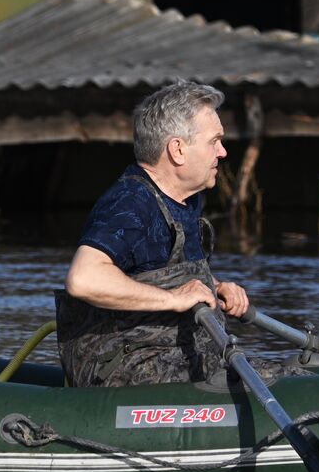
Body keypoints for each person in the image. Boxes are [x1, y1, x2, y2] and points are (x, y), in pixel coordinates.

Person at [55, 80, 251, 388]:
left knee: (289, 369)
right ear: (177, 149)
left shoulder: (187, 200)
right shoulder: (131, 202)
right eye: (214, 141)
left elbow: (154, 272)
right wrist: (173, 299)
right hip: (123, 367)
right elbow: (84, 279)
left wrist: (215, 287)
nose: (223, 152)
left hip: (175, 356)